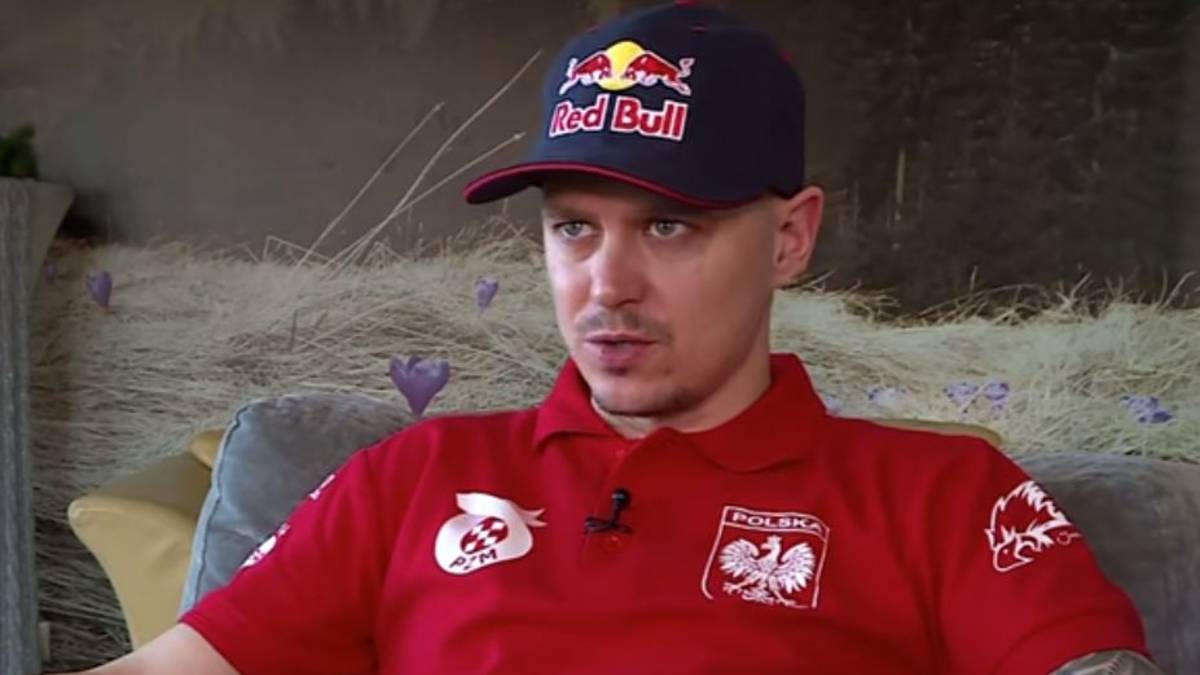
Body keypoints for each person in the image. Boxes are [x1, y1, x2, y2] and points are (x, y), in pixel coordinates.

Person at [69, 2, 1164, 674]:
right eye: (573, 228)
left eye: (670, 226)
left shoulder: (950, 498)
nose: (606, 284)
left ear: (790, 238)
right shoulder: (410, 480)